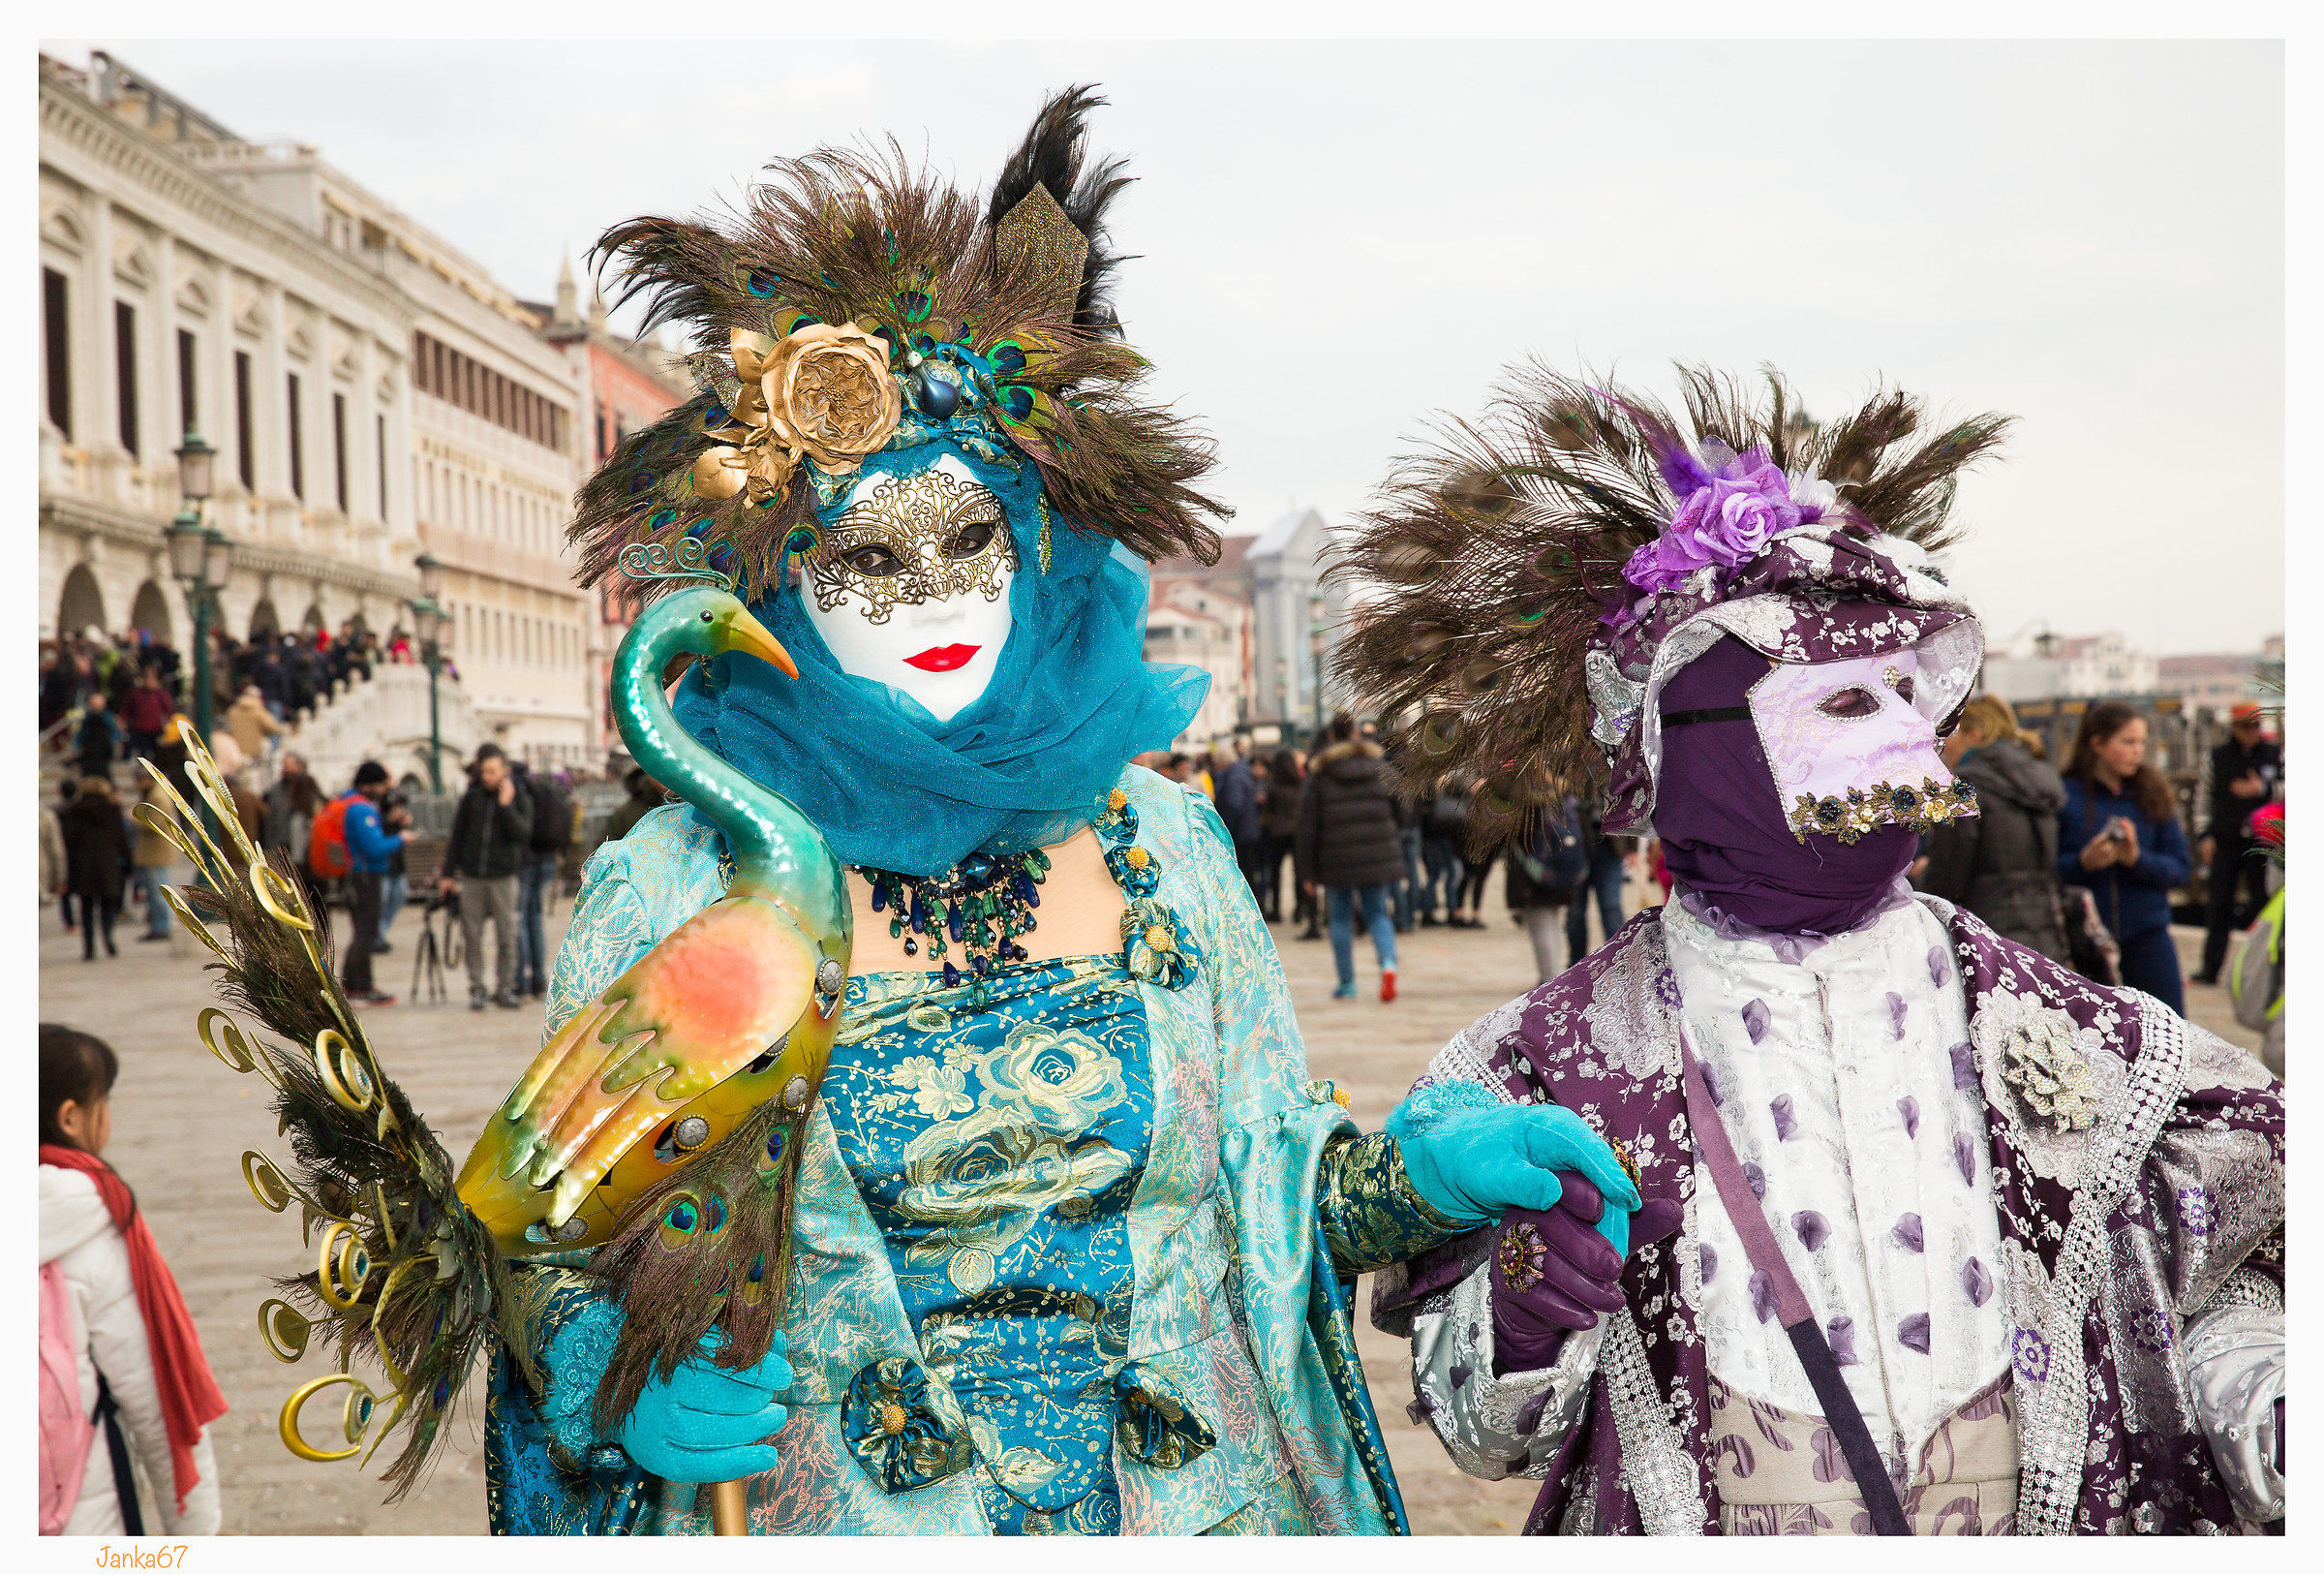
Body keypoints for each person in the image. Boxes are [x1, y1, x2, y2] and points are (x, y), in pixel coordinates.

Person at [454, 91, 1630, 1536]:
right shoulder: (682, 881)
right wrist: (601, 1373)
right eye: (867, 558)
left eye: (973, 540)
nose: (935, 597)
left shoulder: (1167, 845)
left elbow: (1268, 1204)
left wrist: (1421, 1178)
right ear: (781, 585)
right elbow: (550, 1235)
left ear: (1038, 549)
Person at [1340, 364, 2282, 1535]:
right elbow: (1484, 1433)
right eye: (1837, 704)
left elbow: (2236, 1282)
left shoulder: (2095, 1039)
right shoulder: (1539, 1070)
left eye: (1902, 695)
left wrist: (2270, 1395)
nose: (1901, 746)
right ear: (1681, 746)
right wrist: (1523, 1315)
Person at [40, 1024, 227, 1535]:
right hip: (80, 1520)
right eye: (104, 1102)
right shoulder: (90, 1225)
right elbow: (153, 1397)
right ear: (71, 1118)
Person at [2057, 701, 2192, 1013]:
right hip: (2085, 943)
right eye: (2128, 742)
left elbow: (2180, 869)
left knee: (2169, 1025)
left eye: (2141, 742)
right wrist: (2083, 863)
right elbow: (2046, 871)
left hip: (2147, 937)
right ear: (2098, 744)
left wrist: (2137, 860)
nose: (2138, 751)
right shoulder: (2064, 797)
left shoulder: (2152, 793)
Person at [1915, 692, 2072, 960]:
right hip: (2044, 930)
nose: (1943, 746)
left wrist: (1922, 881)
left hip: (1984, 933)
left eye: (1950, 734)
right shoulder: (2039, 781)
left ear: (1974, 734)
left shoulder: (1965, 788)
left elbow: (1949, 875)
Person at [1295, 712, 1406, 1001]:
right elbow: (1402, 810)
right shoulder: (1380, 767)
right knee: (1378, 913)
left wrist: (1306, 873)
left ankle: (1347, 983)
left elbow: (1306, 827)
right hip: (1376, 855)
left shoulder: (1321, 774)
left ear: (1331, 736)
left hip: (1335, 859)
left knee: (1340, 919)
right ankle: (1389, 965)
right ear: (1356, 733)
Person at [2196, 701, 2282, 985]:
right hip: (2226, 842)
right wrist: (2204, 835)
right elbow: (2204, 799)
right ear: (2233, 728)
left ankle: (2266, 970)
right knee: (2218, 906)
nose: (2251, 732)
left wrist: (2262, 789)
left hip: (2264, 845)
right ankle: (2210, 969)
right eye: (2246, 726)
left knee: (2265, 906)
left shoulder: (2275, 755)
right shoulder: (2217, 757)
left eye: (2256, 726)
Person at [440, 745, 532, 1010]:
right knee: (472, 935)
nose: (487, 776)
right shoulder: (472, 798)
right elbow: (457, 836)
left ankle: (505, 988)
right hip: (473, 878)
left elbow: (523, 834)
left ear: (505, 770)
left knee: (507, 936)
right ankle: (477, 988)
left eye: (493, 771)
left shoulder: (519, 797)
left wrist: (506, 806)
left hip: (504, 877)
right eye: (484, 771)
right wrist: (448, 874)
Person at [333, 761, 407, 1006]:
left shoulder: (346, 801)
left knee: (362, 931)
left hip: (354, 875)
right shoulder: (362, 809)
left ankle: (358, 985)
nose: (385, 790)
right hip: (365, 877)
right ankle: (358, 987)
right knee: (366, 932)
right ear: (370, 784)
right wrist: (400, 838)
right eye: (382, 785)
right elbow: (374, 848)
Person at [1504, 794, 1586, 984]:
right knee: (1551, 924)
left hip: (1536, 874)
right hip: (1557, 871)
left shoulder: (1528, 801)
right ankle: (1552, 977)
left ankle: (1550, 979)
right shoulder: (1566, 799)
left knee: (1542, 925)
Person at [513, 760, 572, 1000]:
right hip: (547, 860)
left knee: (520, 919)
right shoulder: (544, 789)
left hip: (525, 862)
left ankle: (520, 980)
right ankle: (538, 978)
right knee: (535, 918)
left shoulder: (517, 791)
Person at [60, 776, 130, 961]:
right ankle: (107, 934)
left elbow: (68, 840)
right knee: (108, 903)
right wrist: (128, 863)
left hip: (83, 864)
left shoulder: (74, 810)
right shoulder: (112, 809)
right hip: (108, 862)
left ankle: (89, 947)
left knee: (86, 908)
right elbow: (121, 838)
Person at [1212, 744, 1267, 907]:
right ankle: (1257, 904)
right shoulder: (1241, 771)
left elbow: (1234, 805)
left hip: (1240, 833)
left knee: (1245, 874)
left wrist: (1224, 829)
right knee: (1251, 871)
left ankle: (1251, 906)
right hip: (1249, 829)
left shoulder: (1233, 777)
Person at [129, 780, 181, 943]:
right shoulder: (154, 794)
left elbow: (157, 823)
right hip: (153, 852)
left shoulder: (157, 796)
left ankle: (162, 926)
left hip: (157, 852)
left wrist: (133, 819)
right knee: (155, 891)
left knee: (159, 891)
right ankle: (158, 925)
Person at [1260, 747, 1305, 924]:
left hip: (1277, 832)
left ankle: (1276, 909)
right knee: (1298, 872)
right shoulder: (1300, 784)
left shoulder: (1273, 786)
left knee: (1275, 872)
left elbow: (1268, 810)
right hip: (1296, 832)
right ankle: (1299, 909)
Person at [596, 762, 666, 849]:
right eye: (659, 768)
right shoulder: (625, 815)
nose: (666, 775)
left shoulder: (685, 810)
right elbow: (604, 852)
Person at [222, 683, 284, 763]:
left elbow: (226, 728)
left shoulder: (232, 711)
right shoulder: (258, 712)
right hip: (254, 754)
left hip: (236, 752)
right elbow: (275, 728)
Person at [75, 692, 122, 781]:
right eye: (93, 704)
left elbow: (115, 733)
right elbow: (80, 734)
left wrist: (113, 744)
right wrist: (77, 747)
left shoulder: (108, 717)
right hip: (88, 754)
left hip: (102, 755)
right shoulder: (86, 719)